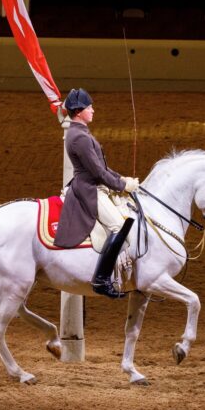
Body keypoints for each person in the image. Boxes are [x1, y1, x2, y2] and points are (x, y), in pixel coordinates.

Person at [54, 88, 139, 299]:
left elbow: (103, 168)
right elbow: (97, 172)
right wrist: (121, 186)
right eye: (89, 107)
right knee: (119, 226)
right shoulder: (79, 137)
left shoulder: (82, 133)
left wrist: (123, 180)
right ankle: (101, 279)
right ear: (79, 111)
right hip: (89, 189)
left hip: (96, 184)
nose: (93, 110)